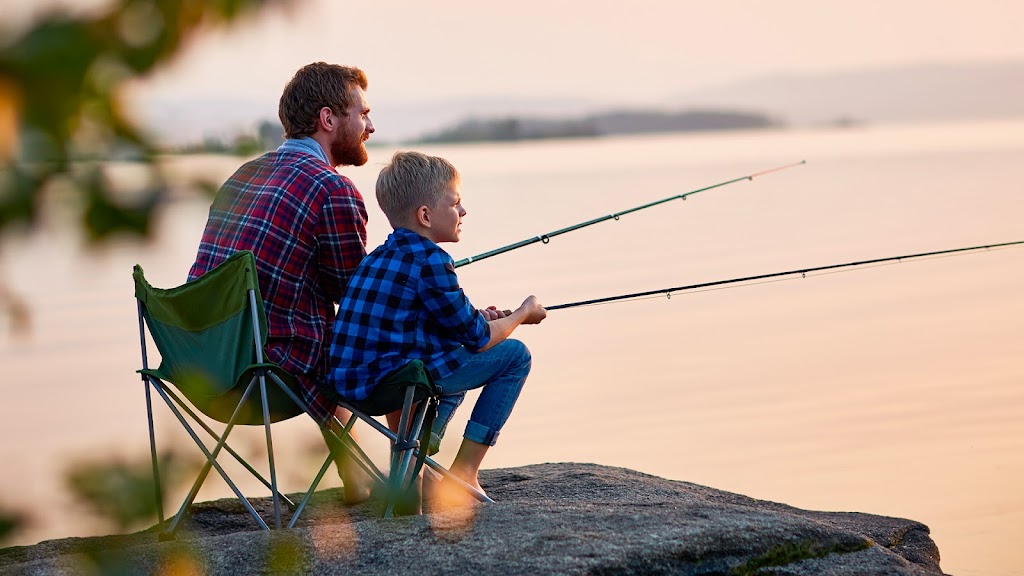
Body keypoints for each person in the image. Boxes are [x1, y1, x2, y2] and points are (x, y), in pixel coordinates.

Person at [188, 62, 376, 502]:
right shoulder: (333, 189)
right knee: (375, 334)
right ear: (329, 119)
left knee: (314, 329)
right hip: (264, 376)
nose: (371, 125)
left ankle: (357, 476)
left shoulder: (242, 175)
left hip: (201, 365)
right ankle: (404, 479)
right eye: (362, 113)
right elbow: (354, 302)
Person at [327, 151, 546, 505]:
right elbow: (477, 337)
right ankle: (463, 472)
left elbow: (425, 318)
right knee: (514, 356)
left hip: (351, 388)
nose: (463, 212)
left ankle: (415, 467)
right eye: (455, 203)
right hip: (398, 384)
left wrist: (481, 315)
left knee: (449, 353)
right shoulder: (432, 261)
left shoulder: (375, 258)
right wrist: (522, 313)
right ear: (426, 216)